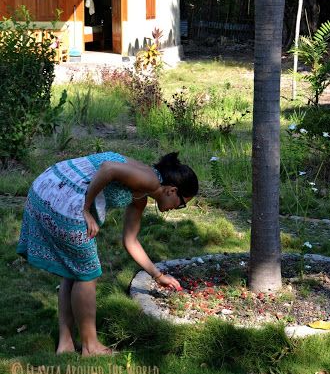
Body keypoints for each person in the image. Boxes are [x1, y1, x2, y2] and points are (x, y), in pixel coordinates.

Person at [16, 151, 198, 356]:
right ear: (172, 191)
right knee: (88, 273)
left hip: (48, 187)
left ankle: (65, 345)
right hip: (63, 197)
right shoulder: (150, 180)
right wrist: (85, 208)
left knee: (73, 271)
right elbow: (108, 169)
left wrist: (158, 276)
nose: (178, 208)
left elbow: (130, 241)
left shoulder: (141, 196)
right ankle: (90, 346)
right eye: (181, 203)